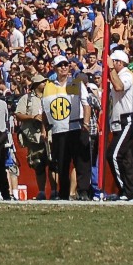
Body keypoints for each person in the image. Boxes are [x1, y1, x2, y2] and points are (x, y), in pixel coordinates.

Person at [42, 56, 92, 200]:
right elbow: (45, 110)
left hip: (75, 126)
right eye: (60, 65)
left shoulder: (74, 83)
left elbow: (85, 104)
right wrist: (44, 128)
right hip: (58, 129)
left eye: (65, 64)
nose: (64, 67)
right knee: (62, 164)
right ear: (55, 68)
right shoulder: (50, 86)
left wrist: (86, 123)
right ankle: (63, 192)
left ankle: (83, 191)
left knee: (81, 162)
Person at [106, 49, 133, 201]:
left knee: (113, 155)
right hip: (119, 121)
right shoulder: (120, 75)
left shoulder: (126, 75)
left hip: (126, 119)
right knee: (126, 159)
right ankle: (131, 192)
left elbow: (119, 86)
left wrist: (111, 70)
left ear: (119, 62)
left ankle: (125, 190)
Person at [14, 73, 51, 199]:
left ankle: (55, 191)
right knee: (38, 164)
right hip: (34, 137)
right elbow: (18, 114)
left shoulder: (50, 95)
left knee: (53, 164)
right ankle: (41, 192)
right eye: (42, 82)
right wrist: (32, 117)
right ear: (35, 85)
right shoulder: (26, 98)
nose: (45, 84)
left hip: (50, 135)